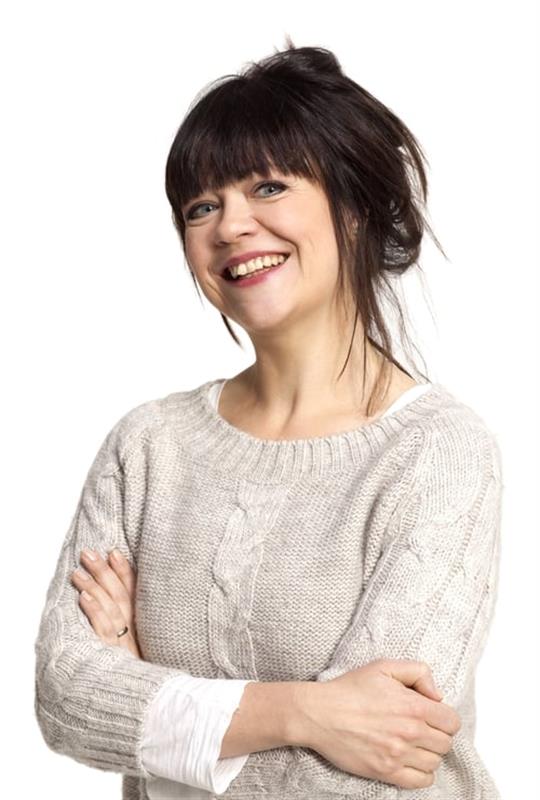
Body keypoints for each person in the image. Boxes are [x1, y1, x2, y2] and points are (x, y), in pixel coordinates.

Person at [33, 39, 504, 800]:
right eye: (202, 206)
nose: (230, 227)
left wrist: (145, 686)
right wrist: (308, 712)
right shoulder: (147, 447)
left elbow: (379, 763)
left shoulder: (438, 452)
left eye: (269, 186)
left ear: (354, 205)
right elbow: (66, 698)